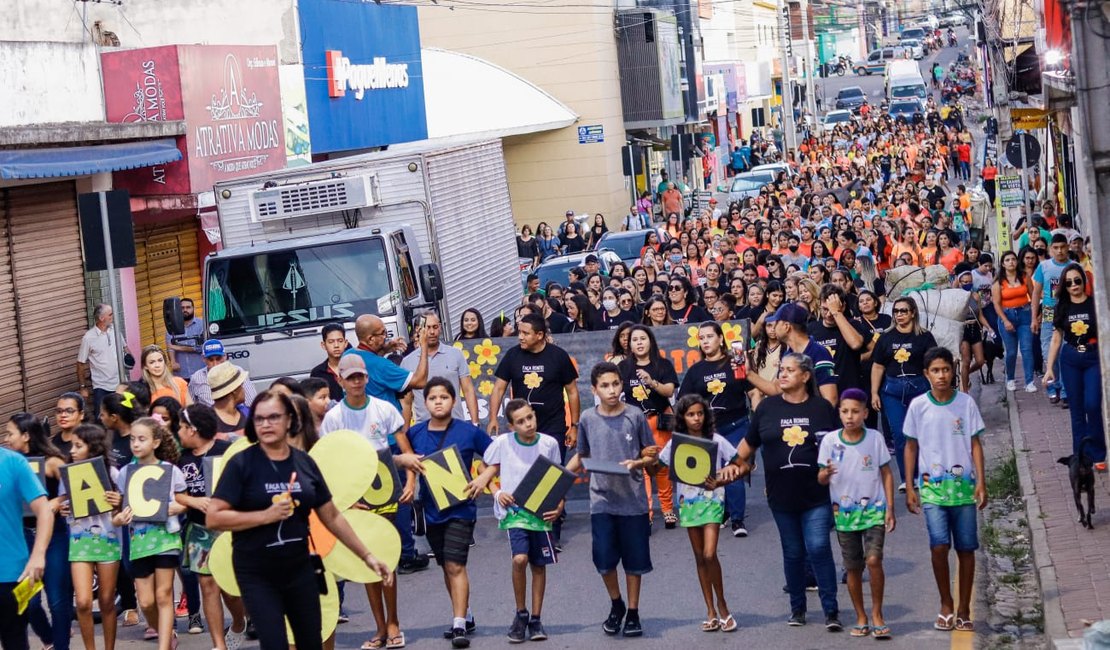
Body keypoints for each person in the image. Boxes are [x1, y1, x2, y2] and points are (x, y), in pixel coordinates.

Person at [207, 390, 392, 650]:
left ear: (290, 421)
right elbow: (214, 516)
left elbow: (332, 516)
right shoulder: (242, 464)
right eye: (259, 419)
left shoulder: (304, 464)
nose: (266, 424)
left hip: (300, 567)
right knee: (275, 644)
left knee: (310, 644)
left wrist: (367, 556)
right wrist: (265, 516)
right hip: (257, 571)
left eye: (274, 417)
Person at [732, 353, 842, 630]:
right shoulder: (767, 409)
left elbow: (840, 448)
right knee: (793, 552)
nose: (782, 374)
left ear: (805, 376)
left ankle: (831, 610)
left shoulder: (822, 409)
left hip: (817, 495)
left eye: (789, 370)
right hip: (781, 497)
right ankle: (798, 609)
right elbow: (746, 449)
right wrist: (728, 469)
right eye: (781, 369)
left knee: (818, 547)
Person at [318, 353, 409, 649]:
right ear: (340, 380)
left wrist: (410, 481)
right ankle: (380, 627)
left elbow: (405, 450)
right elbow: (328, 461)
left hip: (385, 489)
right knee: (365, 559)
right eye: (351, 377)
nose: (356, 382)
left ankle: (394, 621)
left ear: (367, 378)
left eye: (361, 376)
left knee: (386, 556)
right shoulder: (333, 418)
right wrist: (342, 499)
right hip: (352, 493)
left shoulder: (384, 409)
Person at [565, 363, 657, 638]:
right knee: (603, 559)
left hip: (634, 499)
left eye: (616, 384)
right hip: (601, 500)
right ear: (594, 389)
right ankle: (617, 604)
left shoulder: (635, 416)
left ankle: (634, 613)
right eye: (605, 385)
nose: (612, 390)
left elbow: (652, 457)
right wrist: (555, 483)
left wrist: (640, 461)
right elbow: (581, 456)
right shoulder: (588, 419)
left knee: (634, 562)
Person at [903, 347, 987, 633]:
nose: (942, 375)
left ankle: (964, 608)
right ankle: (946, 604)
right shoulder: (918, 406)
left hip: (963, 490)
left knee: (966, 548)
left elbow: (976, 444)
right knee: (939, 545)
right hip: (932, 492)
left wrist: (982, 482)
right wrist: (911, 485)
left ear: (954, 371)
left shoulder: (966, 404)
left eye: (946, 370)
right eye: (935, 371)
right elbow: (910, 446)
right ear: (926, 374)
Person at [407, 379, 493, 648]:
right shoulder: (415, 433)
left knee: (456, 565)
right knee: (446, 565)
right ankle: (465, 614)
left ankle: (458, 625)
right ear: (426, 402)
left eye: (444, 397)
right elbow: (402, 460)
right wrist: (409, 476)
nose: (438, 401)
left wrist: (483, 478)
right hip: (432, 511)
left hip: (462, 510)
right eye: (433, 398)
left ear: (453, 401)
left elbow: (497, 456)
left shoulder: (468, 431)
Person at [472, 400, 563, 643]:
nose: (528, 424)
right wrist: (497, 492)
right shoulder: (502, 443)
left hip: (541, 512)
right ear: (511, 426)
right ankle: (520, 612)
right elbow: (483, 466)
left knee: (538, 565)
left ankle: (535, 619)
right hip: (514, 512)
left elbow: (557, 476)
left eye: (530, 417)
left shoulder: (549, 443)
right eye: (521, 421)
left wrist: (559, 505)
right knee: (520, 558)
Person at [657, 395, 741, 632]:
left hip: (713, 502)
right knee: (699, 557)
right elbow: (657, 468)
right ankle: (711, 611)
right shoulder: (676, 444)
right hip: (688, 504)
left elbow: (741, 464)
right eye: (691, 414)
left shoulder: (716, 440)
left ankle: (723, 606)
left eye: (700, 413)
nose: (696, 418)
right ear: (682, 417)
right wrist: (644, 460)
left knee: (709, 552)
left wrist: (723, 477)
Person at [817, 389, 896, 639]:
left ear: (865, 413)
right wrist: (825, 474)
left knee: (873, 560)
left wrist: (890, 508)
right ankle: (861, 616)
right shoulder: (830, 441)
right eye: (844, 411)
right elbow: (820, 477)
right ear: (839, 412)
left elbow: (886, 473)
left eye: (854, 411)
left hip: (874, 511)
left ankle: (877, 614)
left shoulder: (874, 438)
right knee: (853, 568)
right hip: (845, 516)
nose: (849, 417)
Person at [175, 405, 248, 650]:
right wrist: (192, 500)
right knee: (208, 587)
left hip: (229, 529)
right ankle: (219, 644)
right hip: (199, 530)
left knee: (229, 587)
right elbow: (176, 494)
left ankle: (239, 621)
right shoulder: (180, 459)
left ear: (192, 429)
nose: (178, 432)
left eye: (181, 427)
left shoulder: (225, 452)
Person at [112, 417, 187, 650]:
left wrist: (179, 507)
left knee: (164, 595)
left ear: (156, 442)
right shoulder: (125, 473)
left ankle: (164, 646)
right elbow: (117, 512)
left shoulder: (170, 470)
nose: (135, 444)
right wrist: (119, 517)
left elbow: (185, 501)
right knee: (145, 601)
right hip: (139, 542)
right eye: (133, 439)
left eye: (142, 439)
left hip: (166, 539)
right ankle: (167, 633)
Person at [678, 322, 754, 537]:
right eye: (701, 338)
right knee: (713, 474)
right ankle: (725, 511)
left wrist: (757, 418)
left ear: (721, 339)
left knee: (735, 471)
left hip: (737, 425)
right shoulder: (696, 370)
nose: (705, 341)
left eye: (709, 336)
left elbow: (752, 391)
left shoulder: (735, 362)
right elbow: (684, 400)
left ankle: (738, 519)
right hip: (710, 431)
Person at [4, 414, 72, 650]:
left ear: (26, 435)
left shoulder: (52, 461)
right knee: (30, 604)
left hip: (54, 536)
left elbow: (76, 487)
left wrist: (55, 502)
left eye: (10, 433)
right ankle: (49, 641)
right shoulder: (11, 462)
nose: (7, 438)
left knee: (57, 599)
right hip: (23, 536)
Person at [59, 424, 123, 650]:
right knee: (84, 602)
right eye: (72, 446)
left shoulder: (112, 472)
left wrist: (119, 504)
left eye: (78, 446)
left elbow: (125, 510)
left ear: (93, 448)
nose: (73, 451)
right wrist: (62, 508)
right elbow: (62, 500)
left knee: (107, 601)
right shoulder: (68, 473)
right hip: (79, 543)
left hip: (108, 541)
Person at [487, 314, 580, 459]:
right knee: (526, 474)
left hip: (553, 427)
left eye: (526, 333)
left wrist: (574, 426)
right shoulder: (513, 355)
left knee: (552, 474)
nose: (520, 337)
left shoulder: (559, 356)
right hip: (522, 427)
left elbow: (572, 392)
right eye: (519, 332)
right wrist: (493, 418)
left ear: (539, 335)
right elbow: (498, 389)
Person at [870, 297, 938, 489]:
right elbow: (877, 366)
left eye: (903, 311)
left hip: (919, 389)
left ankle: (925, 473)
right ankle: (907, 478)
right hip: (892, 391)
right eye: (896, 311)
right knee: (900, 435)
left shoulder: (924, 337)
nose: (899, 315)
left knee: (922, 434)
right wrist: (874, 393)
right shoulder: (886, 338)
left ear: (913, 312)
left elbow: (933, 363)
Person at [1043, 264, 1105, 465]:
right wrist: (1049, 368)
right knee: (1076, 409)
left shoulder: (1095, 304)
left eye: (1077, 280)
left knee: (1093, 404)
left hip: (1093, 357)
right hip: (1070, 359)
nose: (1073, 285)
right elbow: (1056, 338)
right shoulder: (1062, 307)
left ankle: (1098, 453)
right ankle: (1082, 456)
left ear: (1083, 281)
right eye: (1068, 282)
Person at [618, 326, 679, 528]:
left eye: (643, 338)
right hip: (635, 424)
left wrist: (652, 382)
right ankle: (647, 513)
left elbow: (669, 390)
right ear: (630, 345)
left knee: (661, 466)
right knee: (642, 469)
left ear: (650, 341)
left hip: (660, 421)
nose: (639, 343)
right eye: (634, 340)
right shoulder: (624, 367)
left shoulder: (662, 365)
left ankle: (668, 509)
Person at [0, 435, 52, 650]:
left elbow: (45, 510)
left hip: (10, 572)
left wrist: (38, 555)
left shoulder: (12, 462)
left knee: (14, 640)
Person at [746, 304, 839, 405]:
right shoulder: (788, 354)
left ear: (786, 326)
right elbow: (776, 389)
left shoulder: (818, 352)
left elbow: (831, 400)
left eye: (776, 323)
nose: (774, 328)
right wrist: (748, 373)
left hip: (814, 419)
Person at [402, 312, 480, 426]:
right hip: (424, 430)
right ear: (419, 330)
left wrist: (475, 423)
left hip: (455, 425)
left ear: (440, 328)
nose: (432, 332)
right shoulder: (407, 361)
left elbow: (468, 390)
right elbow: (406, 402)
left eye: (435, 327)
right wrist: (405, 434)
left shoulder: (456, 354)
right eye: (427, 328)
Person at [1032, 234, 1072, 404]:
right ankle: (1052, 386)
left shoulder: (1074, 266)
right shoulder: (1044, 266)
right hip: (1048, 310)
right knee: (1048, 350)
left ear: (1068, 247)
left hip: (1068, 311)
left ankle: (1064, 390)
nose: (1060, 251)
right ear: (1050, 249)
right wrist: (1034, 317)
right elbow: (1035, 293)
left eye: (1062, 247)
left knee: (1064, 350)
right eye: (1056, 248)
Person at [77, 303, 122, 415]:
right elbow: (80, 364)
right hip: (101, 387)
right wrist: (83, 387)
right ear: (102, 318)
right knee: (102, 419)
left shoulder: (114, 330)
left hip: (120, 383)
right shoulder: (88, 338)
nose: (113, 316)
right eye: (110, 314)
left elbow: (125, 348)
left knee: (122, 417)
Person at [308, 324, 350, 402]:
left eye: (340, 341)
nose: (336, 345)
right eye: (331, 342)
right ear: (323, 345)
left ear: (346, 343)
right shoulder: (317, 373)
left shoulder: (355, 367)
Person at [208, 362, 250, 439]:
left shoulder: (248, 413)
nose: (244, 389)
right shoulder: (207, 421)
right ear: (234, 390)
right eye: (241, 385)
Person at [166, 298, 205, 380]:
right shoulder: (172, 326)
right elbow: (170, 347)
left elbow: (201, 348)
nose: (185, 310)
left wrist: (179, 347)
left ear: (193, 309)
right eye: (182, 308)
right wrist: (173, 362)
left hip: (200, 373)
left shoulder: (202, 325)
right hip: (181, 374)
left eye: (188, 307)